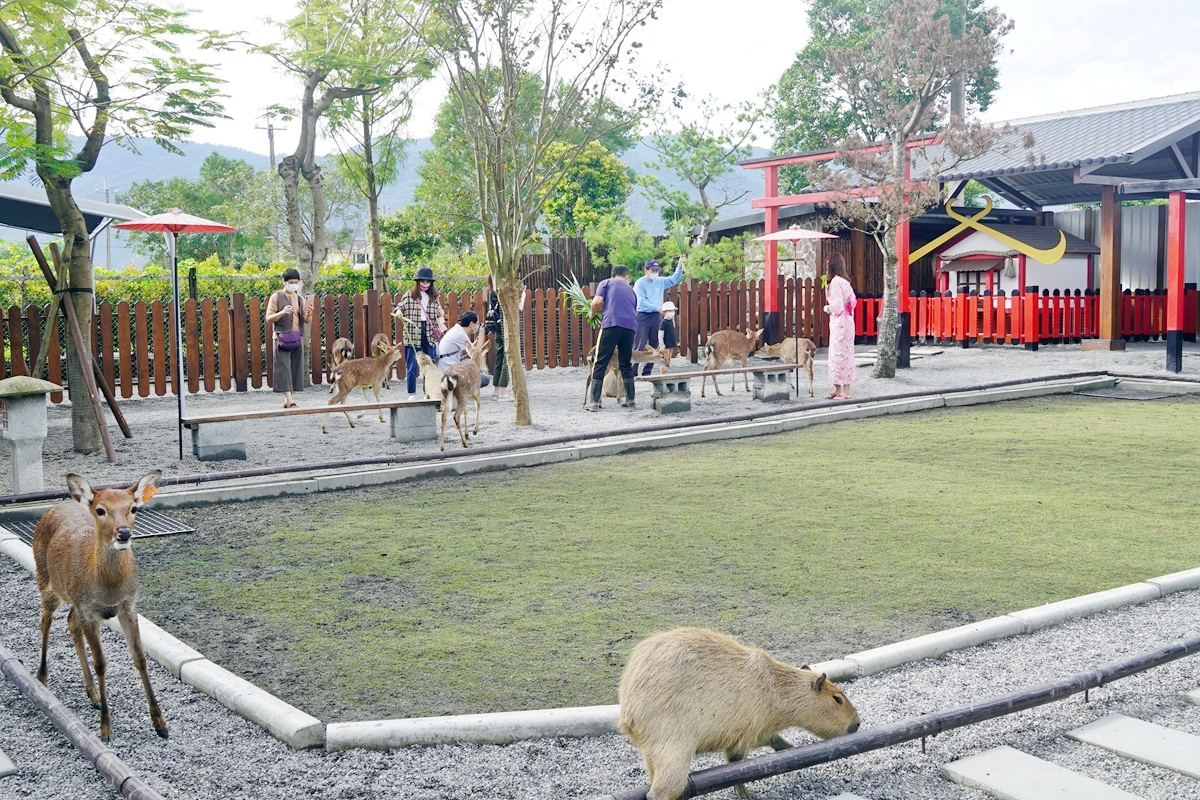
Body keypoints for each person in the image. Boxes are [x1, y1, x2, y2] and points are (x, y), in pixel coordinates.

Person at [585, 264, 638, 412]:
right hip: (630, 327)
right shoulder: (631, 290)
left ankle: (594, 402)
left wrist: (592, 313)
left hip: (611, 325)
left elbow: (596, 302)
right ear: (626, 276)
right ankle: (630, 400)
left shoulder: (606, 283)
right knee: (625, 363)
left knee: (600, 361)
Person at [265, 268, 315, 408]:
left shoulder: (299, 298)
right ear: (284, 281)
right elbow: (269, 318)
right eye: (291, 282)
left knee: (294, 368)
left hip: (296, 337)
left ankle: (287, 400)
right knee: (284, 368)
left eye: (296, 282)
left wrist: (309, 313)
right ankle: (290, 400)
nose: (293, 285)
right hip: (281, 338)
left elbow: (306, 320)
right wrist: (282, 312)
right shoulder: (276, 296)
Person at [394, 266, 446, 398]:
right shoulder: (409, 295)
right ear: (418, 282)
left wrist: (441, 312)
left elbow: (439, 311)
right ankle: (411, 393)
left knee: (430, 364)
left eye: (427, 282)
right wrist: (399, 311)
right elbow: (400, 306)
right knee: (411, 365)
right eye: (422, 281)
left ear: (431, 283)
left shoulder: (434, 297)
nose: (425, 284)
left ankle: (427, 392)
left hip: (429, 333)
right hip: (413, 332)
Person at [632, 257, 685, 375]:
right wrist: (657, 308)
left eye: (657, 271)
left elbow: (673, 279)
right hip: (643, 315)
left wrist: (680, 266)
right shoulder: (640, 283)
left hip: (656, 315)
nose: (655, 273)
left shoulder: (660, 281)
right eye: (653, 270)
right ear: (646, 270)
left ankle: (647, 371)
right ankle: (633, 371)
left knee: (655, 344)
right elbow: (641, 302)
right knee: (640, 343)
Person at [823, 252, 857, 399]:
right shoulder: (845, 282)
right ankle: (840, 388)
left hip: (839, 321)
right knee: (845, 353)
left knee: (838, 354)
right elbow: (853, 302)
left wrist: (827, 308)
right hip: (848, 320)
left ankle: (843, 389)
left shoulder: (835, 282)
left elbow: (836, 306)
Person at [484, 277, 518, 401]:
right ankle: (503, 392)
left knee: (499, 356)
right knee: (505, 357)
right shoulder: (500, 292)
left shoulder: (490, 292)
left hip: (496, 329)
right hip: (503, 327)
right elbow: (516, 307)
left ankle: (496, 391)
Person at [438, 311, 491, 387]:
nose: (478, 326)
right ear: (471, 324)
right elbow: (476, 353)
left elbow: (471, 348)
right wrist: (482, 334)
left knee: (468, 359)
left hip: (447, 364)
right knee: (484, 379)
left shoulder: (457, 330)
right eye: (477, 323)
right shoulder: (460, 334)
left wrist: (478, 338)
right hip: (448, 371)